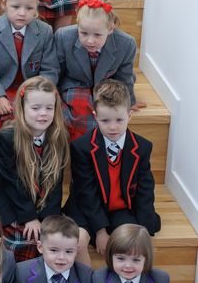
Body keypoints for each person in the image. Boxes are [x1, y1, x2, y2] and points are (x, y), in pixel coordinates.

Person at [65, 80, 160, 266]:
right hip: (87, 207)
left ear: (129, 115)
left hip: (120, 207)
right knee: (79, 241)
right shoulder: (82, 147)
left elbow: (145, 190)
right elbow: (86, 192)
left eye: (119, 120)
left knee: (129, 240)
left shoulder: (141, 147)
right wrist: (100, 231)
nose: (113, 127)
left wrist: (144, 230)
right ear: (95, 116)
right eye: (105, 121)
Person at [0, 76, 69, 262]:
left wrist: (48, 219)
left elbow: (55, 182)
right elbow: (12, 183)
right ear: (22, 108)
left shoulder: (58, 137)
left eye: (49, 108)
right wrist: (29, 217)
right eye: (36, 108)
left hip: (41, 203)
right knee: (23, 237)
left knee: (51, 237)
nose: (43, 114)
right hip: (11, 201)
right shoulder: (8, 138)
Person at [55, 0, 138, 141]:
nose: (90, 40)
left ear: (110, 28)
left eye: (97, 35)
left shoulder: (126, 44)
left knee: (108, 111)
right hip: (75, 82)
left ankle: (98, 149)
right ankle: (78, 147)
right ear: (77, 24)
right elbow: (56, 70)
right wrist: (54, 96)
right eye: (84, 33)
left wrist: (129, 101)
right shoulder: (64, 37)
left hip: (107, 84)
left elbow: (125, 77)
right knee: (81, 109)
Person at [0, 0, 59, 129]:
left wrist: (38, 95)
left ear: (36, 8)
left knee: (40, 116)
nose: (22, 13)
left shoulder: (45, 31)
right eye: (16, 7)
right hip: (4, 89)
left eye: (29, 8)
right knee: (10, 124)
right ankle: (3, 145)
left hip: (33, 91)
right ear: (4, 4)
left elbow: (50, 70)